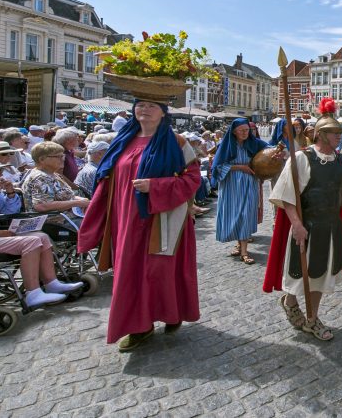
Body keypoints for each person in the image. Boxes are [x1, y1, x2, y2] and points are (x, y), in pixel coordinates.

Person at [77, 98, 202, 352]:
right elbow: (106, 177)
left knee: (161, 271)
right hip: (126, 220)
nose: (144, 109)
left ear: (163, 112)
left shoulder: (177, 143)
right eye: (140, 104)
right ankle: (139, 326)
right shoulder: (122, 140)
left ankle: (171, 312)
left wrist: (155, 187)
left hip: (163, 219)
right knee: (130, 273)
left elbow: (193, 178)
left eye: (152, 105)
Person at [263, 98, 342, 341]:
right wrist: (297, 225)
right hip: (306, 227)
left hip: (331, 227)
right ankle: (290, 302)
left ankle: (312, 319)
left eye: (340, 133)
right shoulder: (301, 159)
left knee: (321, 277)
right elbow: (287, 196)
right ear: (320, 135)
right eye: (334, 133)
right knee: (301, 275)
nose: (339, 137)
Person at [0, 156, 82, 307]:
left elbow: (9, 211)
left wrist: (10, 193)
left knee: (42, 236)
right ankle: (32, 293)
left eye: (0, 171)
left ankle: (51, 282)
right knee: (32, 241)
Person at [211, 118, 268, 265]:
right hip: (231, 185)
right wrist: (239, 167)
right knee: (235, 214)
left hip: (249, 184)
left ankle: (244, 251)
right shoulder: (227, 145)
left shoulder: (254, 143)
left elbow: (270, 149)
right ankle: (238, 244)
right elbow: (217, 167)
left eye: (247, 130)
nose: (245, 133)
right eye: (241, 130)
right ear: (234, 132)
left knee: (246, 214)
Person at [23, 141, 91, 215]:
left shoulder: (53, 174)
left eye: (63, 156)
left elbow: (65, 197)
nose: (63, 159)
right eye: (58, 156)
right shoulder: (40, 177)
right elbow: (41, 206)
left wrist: (81, 200)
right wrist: (76, 203)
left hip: (66, 217)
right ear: (42, 159)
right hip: (51, 222)